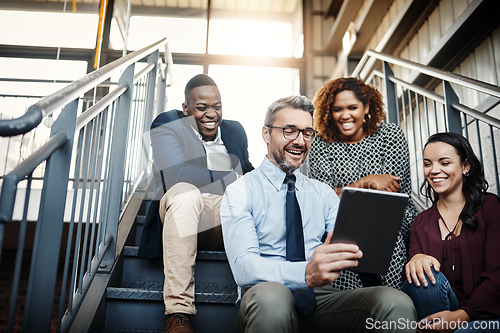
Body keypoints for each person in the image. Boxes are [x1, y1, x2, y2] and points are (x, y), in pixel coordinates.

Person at [221, 95, 416, 333]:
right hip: (266, 292)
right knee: (273, 297)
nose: (300, 141)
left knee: (395, 301)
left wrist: (353, 244)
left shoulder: (323, 193)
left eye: (306, 133)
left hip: (321, 299)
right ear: (266, 134)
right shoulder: (240, 190)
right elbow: (244, 267)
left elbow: (342, 241)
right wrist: (304, 273)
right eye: (289, 131)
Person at [138, 74, 254, 333]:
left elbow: (250, 172)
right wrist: (233, 178)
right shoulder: (168, 123)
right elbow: (176, 174)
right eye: (201, 108)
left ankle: (256, 307)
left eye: (217, 106)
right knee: (186, 192)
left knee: (255, 200)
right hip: (187, 214)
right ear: (186, 109)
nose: (211, 114)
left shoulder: (235, 130)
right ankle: (178, 314)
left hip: (226, 218)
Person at [307, 77, 418, 290]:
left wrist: (343, 192)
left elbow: (390, 191)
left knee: (385, 231)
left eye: (352, 107)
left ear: (366, 107)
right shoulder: (321, 143)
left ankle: (392, 300)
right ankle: (354, 307)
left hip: (393, 218)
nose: (345, 115)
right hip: (342, 220)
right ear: (329, 111)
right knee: (339, 238)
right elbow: (322, 198)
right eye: (338, 109)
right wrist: (366, 182)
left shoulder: (390, 135)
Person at [403, 132, 500, 332]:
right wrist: (417, 259)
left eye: (444, 163)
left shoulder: (491, 207)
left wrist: (460, 317)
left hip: (488, 314)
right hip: (440, 312)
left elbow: (497, 276)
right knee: (422, 277)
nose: (434, 170)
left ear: (465, 166)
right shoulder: (419, 223)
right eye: (428, 163)